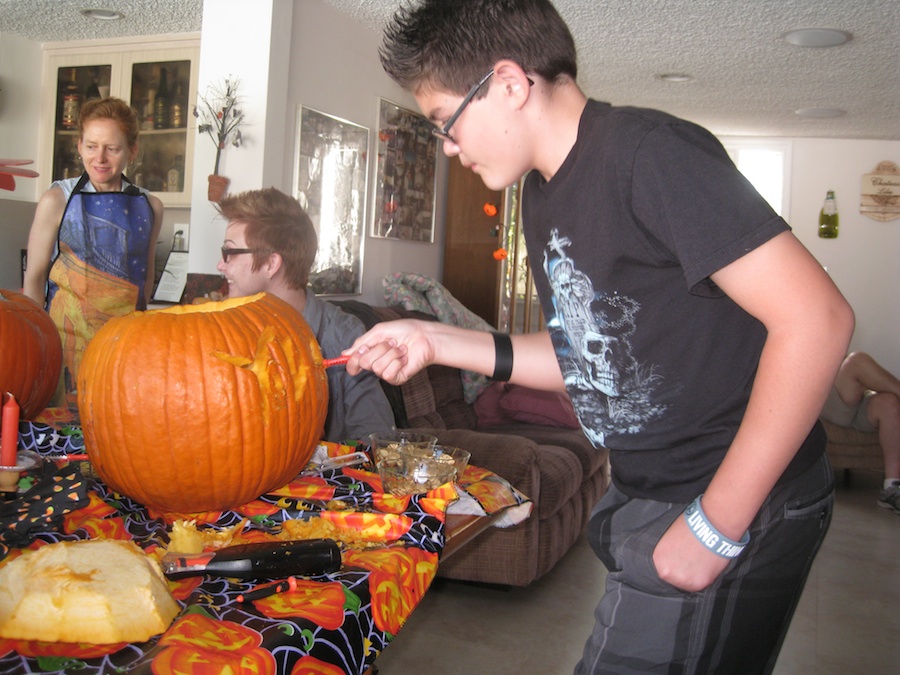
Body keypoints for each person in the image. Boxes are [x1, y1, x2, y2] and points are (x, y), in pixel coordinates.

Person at [344, 1, 856, 672]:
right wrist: (436, 340)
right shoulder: (542, 194)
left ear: (508, 83)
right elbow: (593, 357)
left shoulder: (651, 154)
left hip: (737, 497)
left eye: (444, 121)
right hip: (650, 490)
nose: (447, 145)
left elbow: (818, 320)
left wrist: (716, 523)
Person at [215, 187, 395, 444]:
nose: (220, 265)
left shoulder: (345, 337)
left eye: (230, 252)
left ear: (270, 264)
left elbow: (376, 440)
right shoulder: (222, 329)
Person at [23, 97, 164, 412]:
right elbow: (33, 279)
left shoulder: (150, 206)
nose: (99, 158)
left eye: (112, 148)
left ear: (132, 151)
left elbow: (146, 278)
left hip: (125, 351)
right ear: (79, 146)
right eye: (91, 146)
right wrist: (33, 347)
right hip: (63, 347)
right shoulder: (56, 199)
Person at [821, 351, 900, 513]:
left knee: (889, 403)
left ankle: (891, 487)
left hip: (853, 400)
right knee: (856, 361)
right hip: (824, 394)